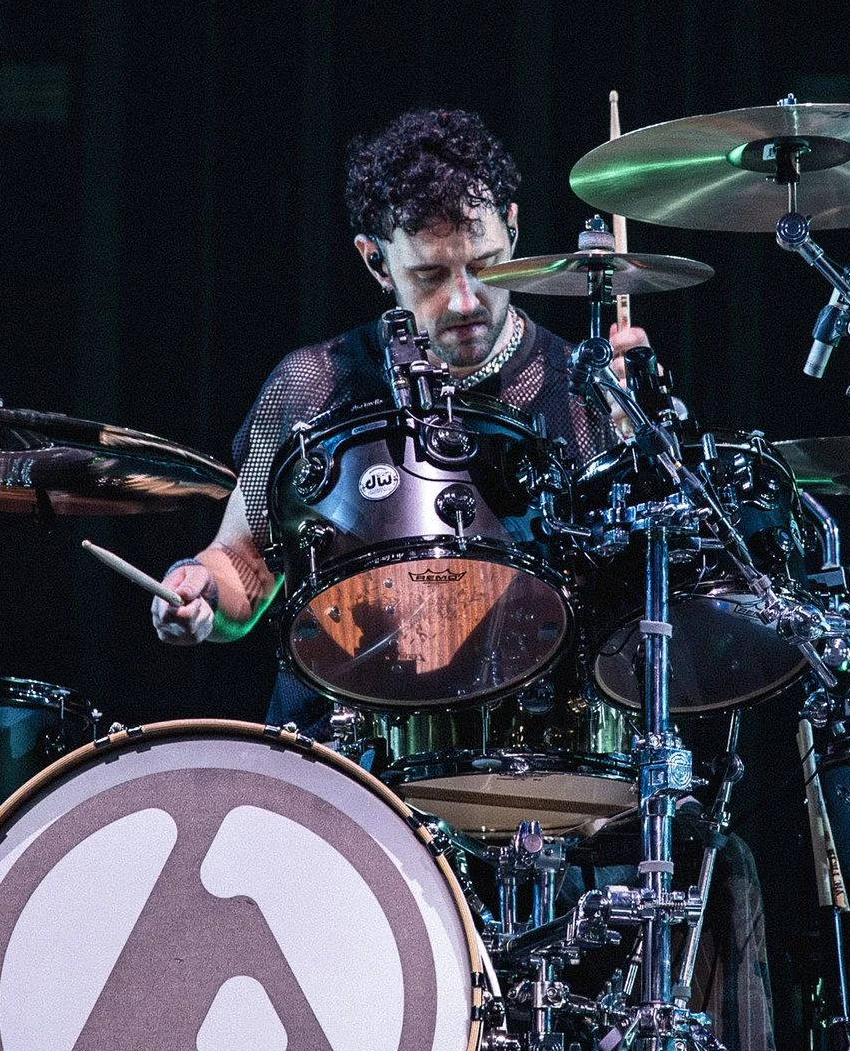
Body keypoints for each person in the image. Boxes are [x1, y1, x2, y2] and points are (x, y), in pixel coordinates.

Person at [151, 105, 645, 722]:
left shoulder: (583, 390)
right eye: (430, 275)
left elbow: (633, 609)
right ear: (375, 261)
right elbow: (243, 562)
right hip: (340, 748)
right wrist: (197, 589)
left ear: (514, 229)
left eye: (484, 264)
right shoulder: (313, 383)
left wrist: (641, 439)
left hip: (526, 750)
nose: (464, 301)